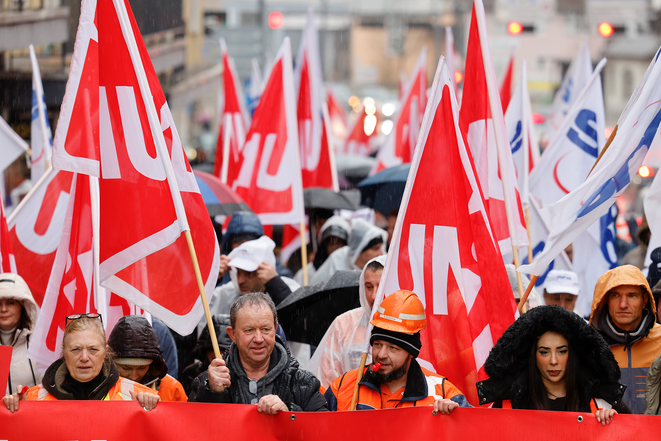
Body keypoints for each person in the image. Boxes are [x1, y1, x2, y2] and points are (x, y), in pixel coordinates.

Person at [477, 305, 629, 424]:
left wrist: (612, 426)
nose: (553, 361)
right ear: (534, 356)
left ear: (572, 354)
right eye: (544, 352)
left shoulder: (602, 402)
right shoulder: (506, 405)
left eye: (562, 351)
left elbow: (634, 434)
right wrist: (454, 414)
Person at [325, 290, 469, 413]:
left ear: (411, 353)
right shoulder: (343, 387)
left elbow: (477, 431)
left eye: (393, 348)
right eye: (377, 344)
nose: (381, 354)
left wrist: (454, 420)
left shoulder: (443, 393)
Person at [188, 293, 328, 413]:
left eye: (266, 329)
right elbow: (190, 429)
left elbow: (323, 431)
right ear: (233, 334)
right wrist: (211, 393)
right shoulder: (208, 382)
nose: (259, 339)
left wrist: (289, 413)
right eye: (249, 330)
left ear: (275, 328)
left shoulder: (303, 382)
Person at [2, 314, 158, 412]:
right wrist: (14, 409)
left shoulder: (139, 397)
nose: (84, 357)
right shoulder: (32, 399)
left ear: (105, 352)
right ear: (64, 353)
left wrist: (153, 411)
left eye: (92, 349)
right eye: (76, 349)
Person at [589, 265, 661, 414]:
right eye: (615, 295)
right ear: (606, 300)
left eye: (632, 295)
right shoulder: (589, 346)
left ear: (644, 299)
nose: (623, 304)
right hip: (606, 436)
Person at [308, 255, 385, 388]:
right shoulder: (344, 324)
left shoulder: (410, 326)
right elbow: (325, 378)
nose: (374, 296)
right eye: (369, 287)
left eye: (381, 286)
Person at [202, 236, 298, 342]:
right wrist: (212, 281)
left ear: (266, 270)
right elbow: (201, 325)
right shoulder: (226, 292)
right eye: (238, 272)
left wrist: (277, 286)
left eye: (249, 273)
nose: (240, 280)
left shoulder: (290, 287)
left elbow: (297, 322)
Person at [107, 315, 187, 402]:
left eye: (142, 367)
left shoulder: (172, 388)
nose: (134, 376)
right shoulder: (100, 386)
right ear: (112, 363)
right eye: (126, 368)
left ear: (152, 364)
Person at [218, 211, 293, 285]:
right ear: (229, 243)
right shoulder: (219, 269)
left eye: (251, 242)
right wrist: (214, 278)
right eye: (239, 243)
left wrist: (274, 282)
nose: (241, 281)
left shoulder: (278, 272)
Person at [0, 274, 42, 396]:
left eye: (11, 303)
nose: (3, 309)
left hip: (32, 414)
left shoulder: (40, 342)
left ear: (23, 306)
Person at [310, 218, 386, 285]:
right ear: (360, 250)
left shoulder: (381, 267)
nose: (381, 253)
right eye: (376, 248)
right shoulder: (336, 262)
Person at [181, 314, 233, 396]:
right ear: (205, 349)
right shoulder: (191, 373)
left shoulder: (243, 375)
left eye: (225, 351)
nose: (219, 354)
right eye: (214, 348)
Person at [294, 215, 351, 285]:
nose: (335, 246)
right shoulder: (305, 275)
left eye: (339, 242)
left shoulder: (353, 272)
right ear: (324, 245)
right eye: (331, 242)